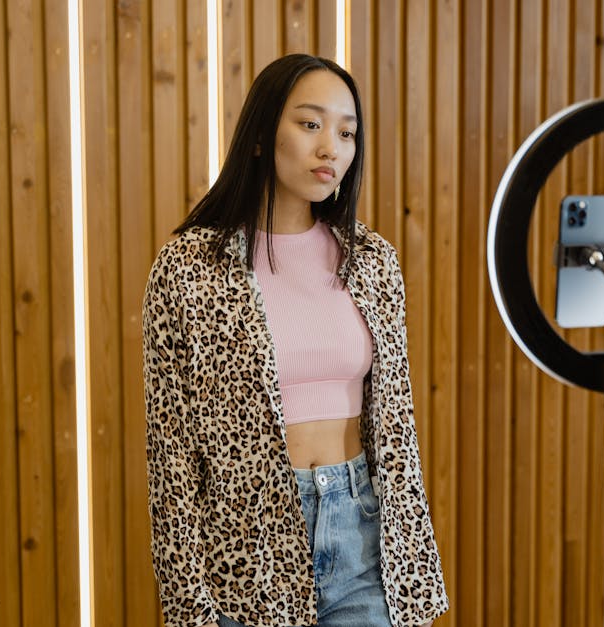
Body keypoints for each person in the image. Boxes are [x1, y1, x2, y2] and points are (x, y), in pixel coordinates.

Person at [142, 53, 448, 627]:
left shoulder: (371, 259)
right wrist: (188, 603)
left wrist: (410, 559)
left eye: (346, 131)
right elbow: (171, 457)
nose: (330, 147)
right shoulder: (188, 268)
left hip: (361, 535)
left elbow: (398, 427)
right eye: (310, 124)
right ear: (261, 135)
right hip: (246, 551)